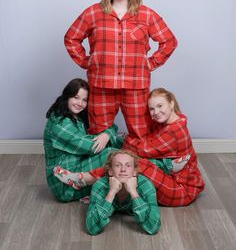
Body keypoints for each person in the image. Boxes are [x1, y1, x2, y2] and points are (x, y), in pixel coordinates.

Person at [64, 0, 177, 150]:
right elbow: (71, 38)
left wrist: (150, 63)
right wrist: (86, 62)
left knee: (141, 133)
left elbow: (169, 41)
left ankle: (140, 173)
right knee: (98, 134)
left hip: (135, 85)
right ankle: (101, 174)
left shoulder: (146, 14)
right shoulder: (93, 12)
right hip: (102, 84)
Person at [53, 87, 205, 206]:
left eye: (160, 106)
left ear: (171, 103)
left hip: (181, 190)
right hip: (172, 178)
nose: (156, 112)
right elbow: (147, 144)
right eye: (152, 109)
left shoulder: (175, 130)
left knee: (134, 163)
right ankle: (101, 191)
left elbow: (143, 150)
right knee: (126, 160)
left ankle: (83, 180)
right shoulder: (170, 123)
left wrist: (127, 139)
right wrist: (124, 138)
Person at [44, 78, 123, 202]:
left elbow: (109, 127)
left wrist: (107, 133)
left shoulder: (77, 116)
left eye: (84, 100)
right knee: (116, 156)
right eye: (76, 97)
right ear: (67, 97)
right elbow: (92, 146)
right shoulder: (59, 122)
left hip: (79, 164)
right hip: (63, 183)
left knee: (122, 147)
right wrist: (108, 134)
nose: (80, 103)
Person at [86, 150, 161, 235]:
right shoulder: (100, 185)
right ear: (110, 171)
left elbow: (154, 227)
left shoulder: (145, 185)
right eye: (118, 165)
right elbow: (91, 227)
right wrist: (111, 192)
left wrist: (133, 192)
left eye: (128, 165)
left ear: (134, 172)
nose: (123, 169)